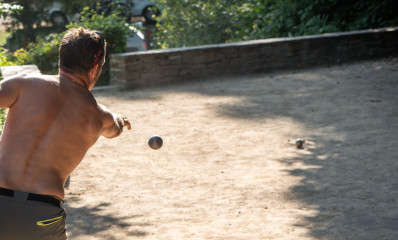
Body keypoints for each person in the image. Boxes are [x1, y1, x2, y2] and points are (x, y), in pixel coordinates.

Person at [0, 27, 131, 239]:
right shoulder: (98, 115)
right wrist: (120, 119)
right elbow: (115, 129)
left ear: (61, 58)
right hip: (42, 213)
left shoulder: (24, 84)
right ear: (95, 68)